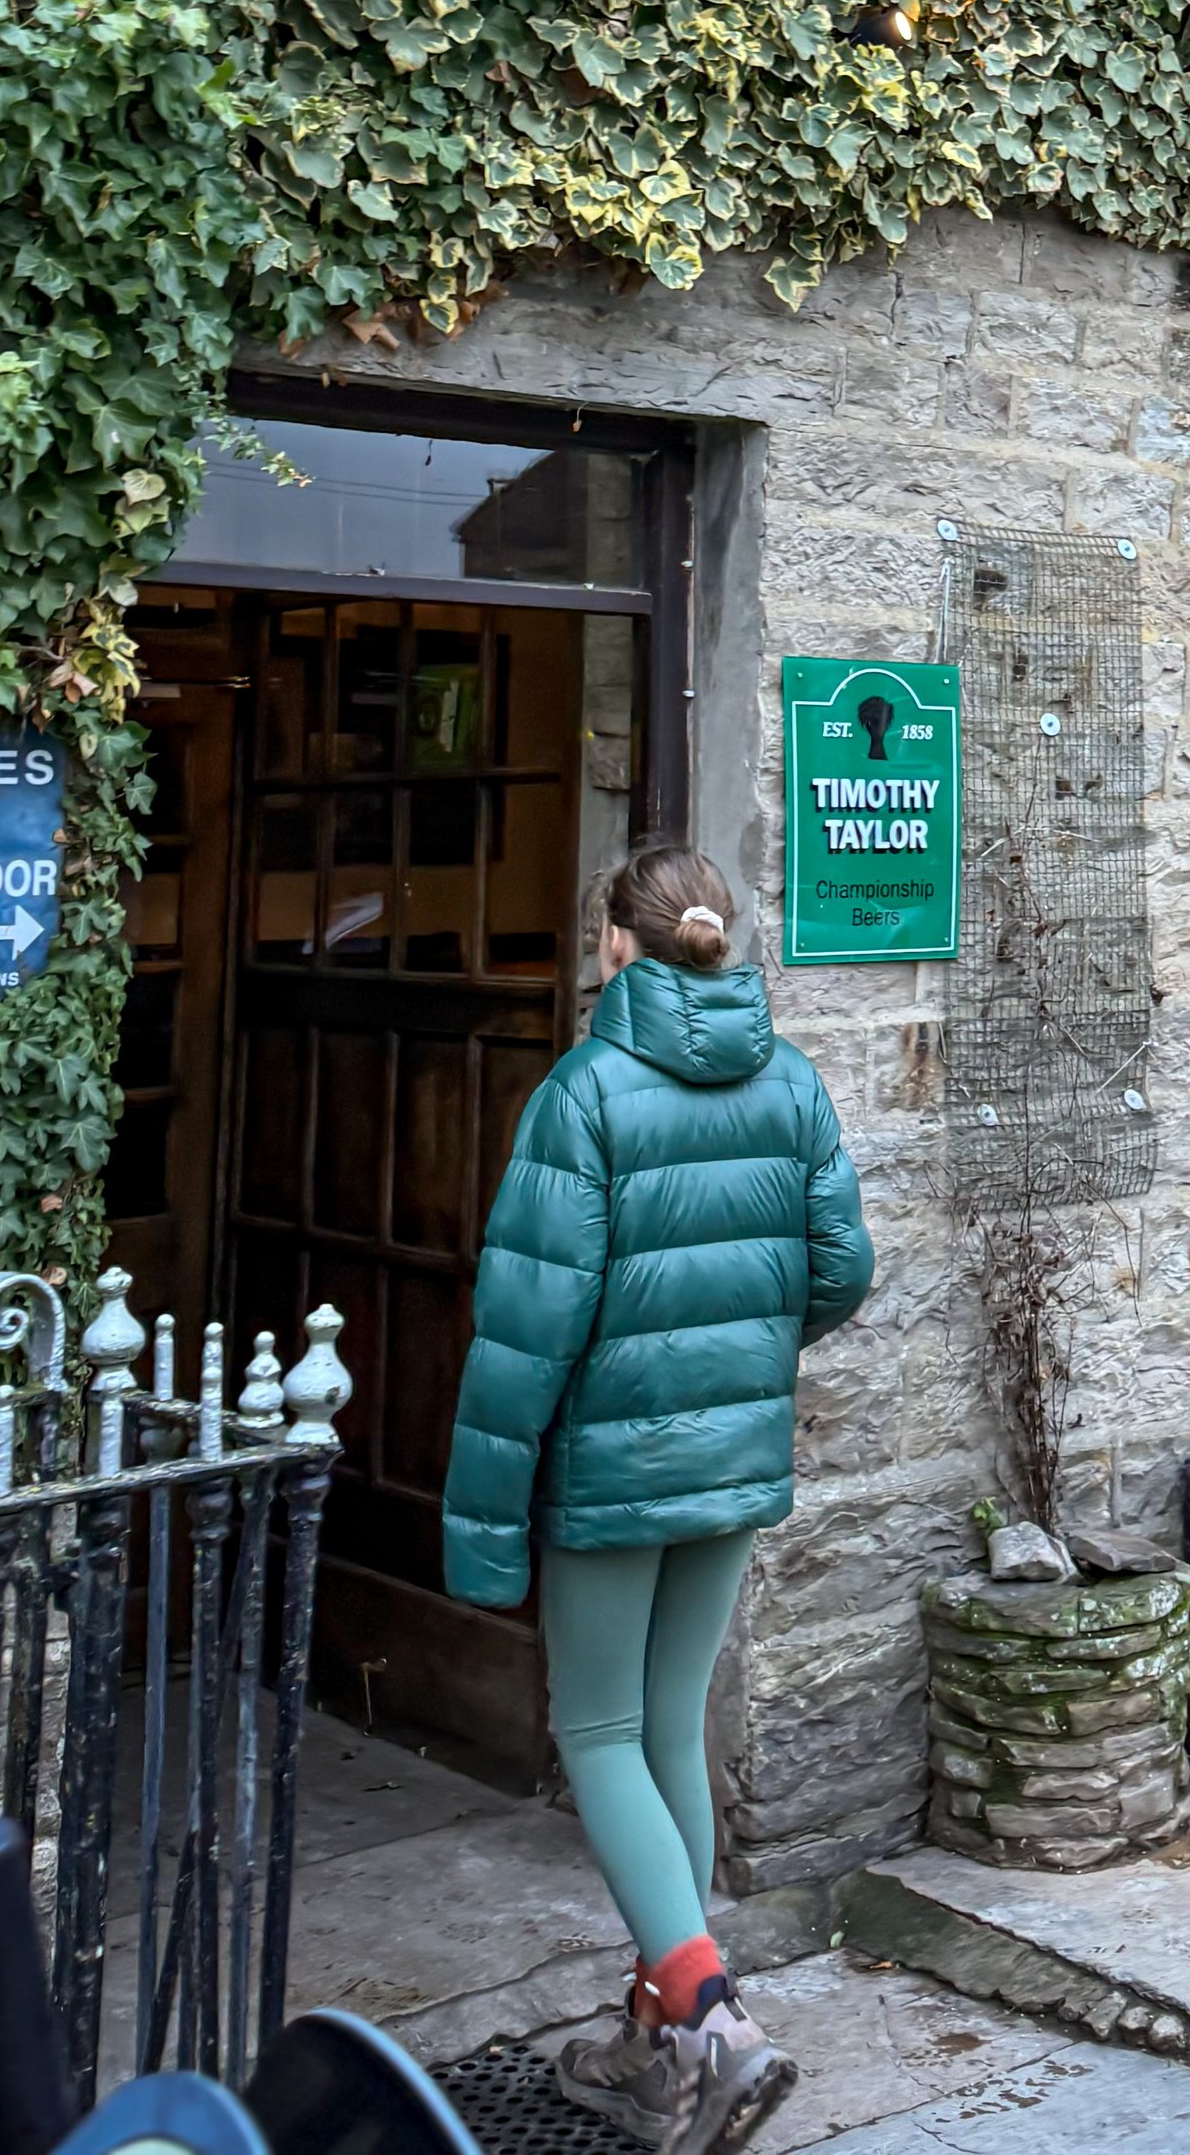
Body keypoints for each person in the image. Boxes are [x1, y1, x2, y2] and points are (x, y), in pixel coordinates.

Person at [443, 841, 873, 2155]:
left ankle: (712, 2017)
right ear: (722, 939)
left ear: (617, 945)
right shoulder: (792, 1083)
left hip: (613, 1472)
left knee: (599, 1725)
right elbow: (842, 1270)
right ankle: (658, 2038)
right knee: (669, 1718)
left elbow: (525, 1329)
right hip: (731, 1460)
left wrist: (481, 1519)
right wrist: (741, 1356)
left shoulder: (585, 1094)